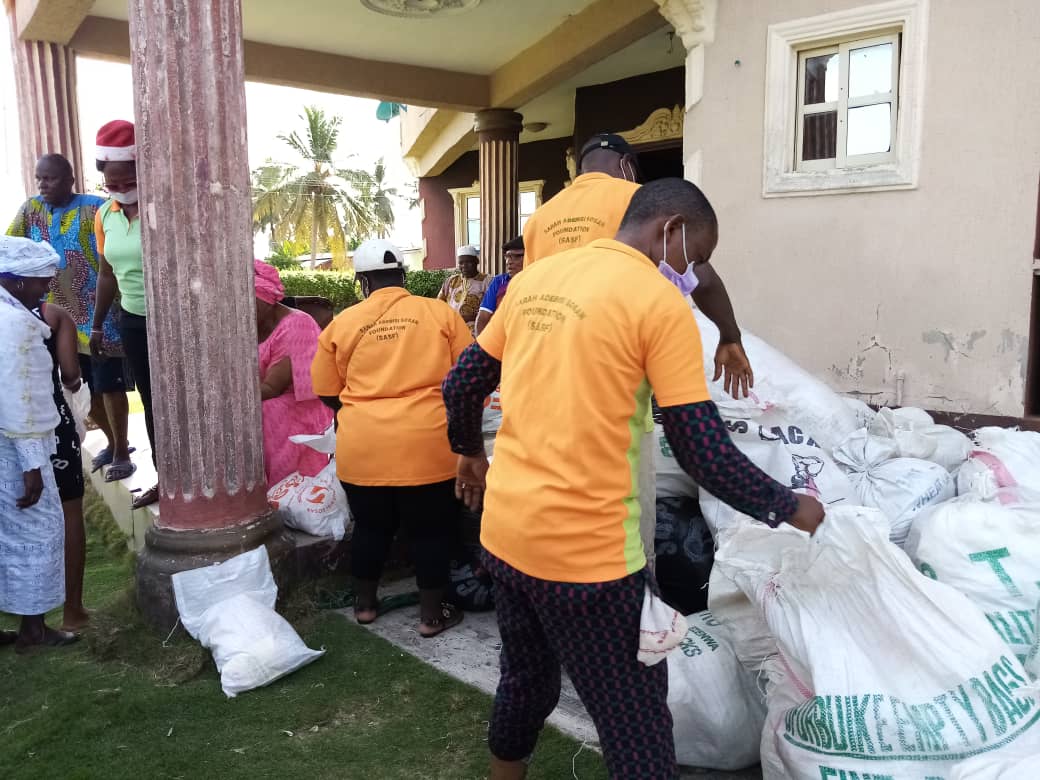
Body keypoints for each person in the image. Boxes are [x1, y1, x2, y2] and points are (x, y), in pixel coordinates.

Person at [442, 179, 824, 780]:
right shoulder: (657, 303)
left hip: (507, 539)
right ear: (670, 229)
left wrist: (469, 453)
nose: (692, 273)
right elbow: (702, 451)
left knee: (526, 679)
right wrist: (789, 506)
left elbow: (463, 383)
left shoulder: (534, 280)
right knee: (635, 722)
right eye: (696, 256)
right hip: (589, 562)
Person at [523, 132, 754, 571]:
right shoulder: (640, 202)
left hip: (545, 391)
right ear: (628, 165)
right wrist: (730, 335)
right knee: (624, 524)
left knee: (554, 513)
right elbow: (700, 275)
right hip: (616, 398)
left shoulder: (539, 219)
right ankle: (634, 584)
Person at [312, 239, 473, 638]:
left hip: (363, 448)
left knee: (370, 528)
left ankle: (365, 607)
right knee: (431, 531)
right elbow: (468, 378)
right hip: (428, 447)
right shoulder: (439, 313)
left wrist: (362, 412)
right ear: (403, 276)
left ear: (363, 282)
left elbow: (326, 390)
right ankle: (431, 617)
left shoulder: (342, 324)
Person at [7, 153, 135, 480]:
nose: (42, 184)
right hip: (57, 318)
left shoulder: (96, 209)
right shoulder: (30, 211)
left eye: (49, 178)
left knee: (109, 385)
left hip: (101, 316)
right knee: (78, 386)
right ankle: (111, 441)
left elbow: (115, 255)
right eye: (39, 178)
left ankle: (122, 451)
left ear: (69, 180)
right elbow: (9, 248)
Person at [0, 236, 79, 652]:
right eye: (41, 282)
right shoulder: (14, 325)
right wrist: (32, 463)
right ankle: (33, 630)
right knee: (36, 530)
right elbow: (20, 400)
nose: (46, 289)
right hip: (14, 450)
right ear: (16, 282)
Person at [89, 120, 159, 509]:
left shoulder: (164, 205)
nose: (119, 188)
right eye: (111, 184)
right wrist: (98, 325)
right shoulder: (105, 215)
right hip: (134, 321)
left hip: (174, 321)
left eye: (126, 180)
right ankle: (166, 479)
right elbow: (106, 273)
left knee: (183, 401)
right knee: (151, 402)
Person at [36, 301, 91, 631]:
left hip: (7, 427)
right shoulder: (54, 316)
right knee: (70, 511)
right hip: (52, 421)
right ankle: (73, 611)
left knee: (14, 521)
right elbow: (70, 375)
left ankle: (31, 621)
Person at [254, 260, 334, 485]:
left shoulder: (297, 326)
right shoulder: (248, 326)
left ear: (266, 299)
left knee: (263, 413)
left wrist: (228, 398)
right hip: (264, 397)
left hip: (299, 408)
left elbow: (272, 388)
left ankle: (279, 489)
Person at [474, 236, 523, 336]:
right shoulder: (499, 281)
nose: (509, 261)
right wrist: (480, 343)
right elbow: (483, 317)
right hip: (498, 338)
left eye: (517, 256)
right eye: (507, 256)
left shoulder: (540, 282)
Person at [437, 244, 489, 332]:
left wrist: (471, 317)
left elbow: (493, 310)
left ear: (476, 261)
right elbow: (439, 304)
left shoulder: (487, 282)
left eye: (468, 262)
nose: (464, 266)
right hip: (451, 329)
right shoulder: (451, 281)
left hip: (475, 331)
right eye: (461, 263)